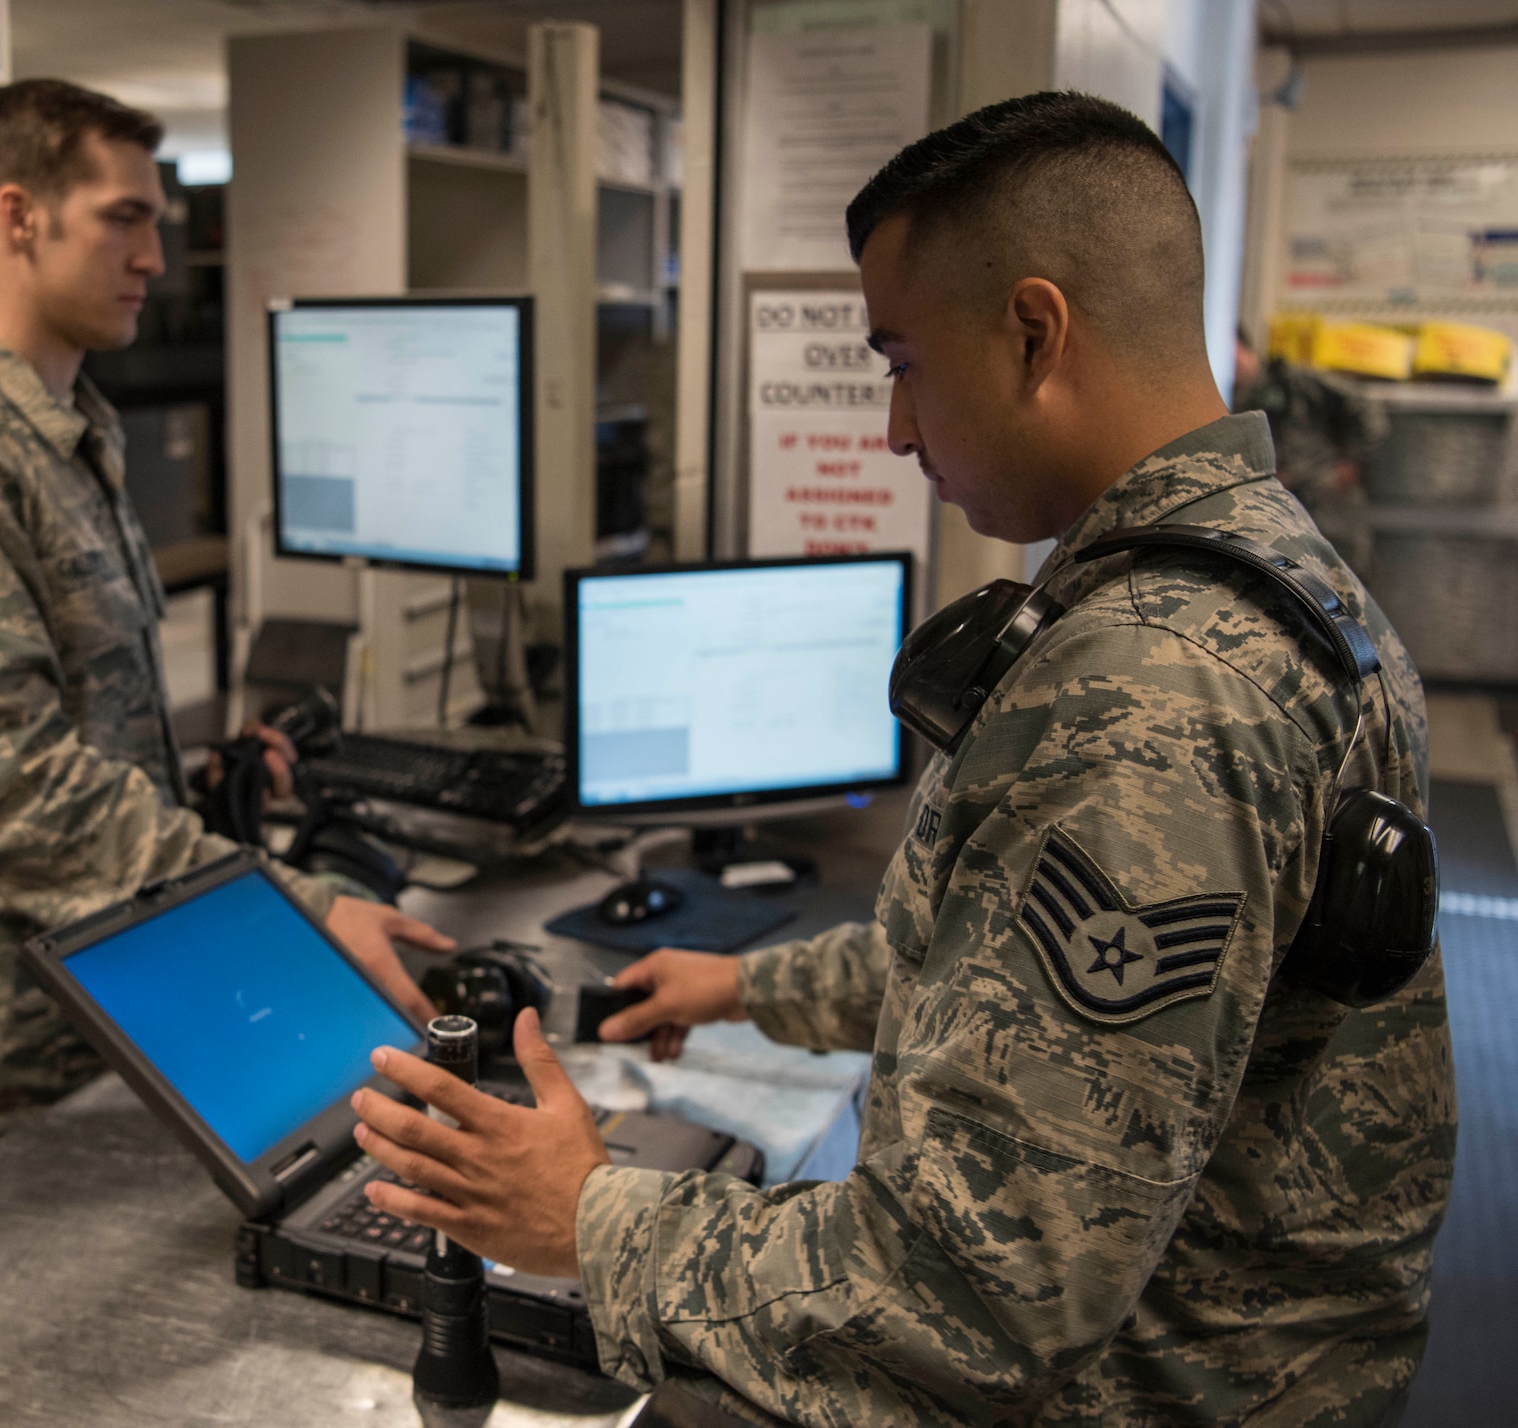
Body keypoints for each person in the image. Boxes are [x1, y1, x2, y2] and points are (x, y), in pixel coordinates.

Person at [350, 93, 1454, 1425]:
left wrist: (587, 1215)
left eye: (902, 361)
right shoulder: (1277, 581)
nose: (892, 427)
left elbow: (973, 1305)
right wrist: (750, 986)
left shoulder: (1150, 694)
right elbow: (1028, 975)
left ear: (1034, 334)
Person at [0, 79, 452, 1190]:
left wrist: (206, 777)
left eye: (157, 223)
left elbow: (80, 734)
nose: (156, 258)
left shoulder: (71, 437)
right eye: (126, 217)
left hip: (134, 1017)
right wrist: (295, 908)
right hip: (10, 1059)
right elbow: (20, 799)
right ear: (19, 217)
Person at [1233, 329, 1388, 571]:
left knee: (1345, 586)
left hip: (1330, 506)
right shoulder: (1237, 401)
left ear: (1243, 346)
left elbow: (1367, 410)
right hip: (1286, 514)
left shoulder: (1296, 381)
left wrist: (1352, 462)